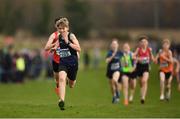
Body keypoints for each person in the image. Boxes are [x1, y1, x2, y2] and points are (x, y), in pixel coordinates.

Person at [44, 17, 81, 110]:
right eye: (60, 28)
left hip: (73, 63)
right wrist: (54, 48)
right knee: (61, 79)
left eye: (63, 28)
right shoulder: (59, 37)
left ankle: (70, 80)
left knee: (71, 85)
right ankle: (62, 101)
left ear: (67, 28)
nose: (61, 30)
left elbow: (79, 48)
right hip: (63, 62)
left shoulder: (71, 36)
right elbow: (56, 45)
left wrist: (68, 43)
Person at [134, 36, 154, 104]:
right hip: (139, 67)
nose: (144, 43)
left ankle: (143, 97)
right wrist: (138, 58)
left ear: (147, 43)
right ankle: (142, 91)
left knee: (144, 80)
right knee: (141, 83)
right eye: (142, 42)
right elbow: (133, 56)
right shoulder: (138, 49)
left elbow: (152, 59)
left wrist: (151, 53)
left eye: (145, 41)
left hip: (146, 67)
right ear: (140, 43)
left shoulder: (149, 49)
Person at [106, 39, 122, 104]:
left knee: (114, 80)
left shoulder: (120, 53)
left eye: (115, 44)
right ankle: (114, 96)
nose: (114, 45)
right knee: (111, 85)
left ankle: (117, 92)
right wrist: (113, 55)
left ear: (117, 45)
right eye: (113, 44)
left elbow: (126, 58)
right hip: (110, 71)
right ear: (111, 45)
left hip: (117, 70)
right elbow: (107, 61)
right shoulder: (109, 53)